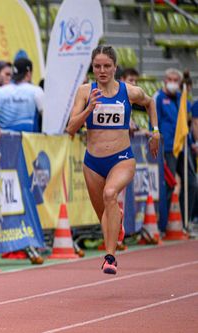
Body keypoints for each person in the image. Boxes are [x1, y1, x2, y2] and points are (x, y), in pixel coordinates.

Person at [66, 45, 159, 275]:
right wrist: (89, 109)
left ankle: (110, 258)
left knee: (110, 194)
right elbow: (70, 128)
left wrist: (155, 131)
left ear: (115, 67)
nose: (102, 70)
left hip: (122, 158)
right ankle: (116, 223)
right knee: (104, 217)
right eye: (97, 66)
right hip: (93, 162)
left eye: (107, 66)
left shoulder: (128, 91)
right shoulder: (85, 92)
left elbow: (150, 102)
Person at [154, 68, 196, 225]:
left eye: (175, 80)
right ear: (165, 80)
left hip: (182, 145)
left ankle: (185, 221)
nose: (172, 83)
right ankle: (164, 224)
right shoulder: (158, 97)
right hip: (167, 147)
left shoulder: (181, 97)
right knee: (169, 185)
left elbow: (188, 120)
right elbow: (154, 120)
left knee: (192, 183)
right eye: (169, 79)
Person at [0, 58, 44, 133]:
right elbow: (47, 117)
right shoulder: (36, 91)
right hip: (27, 142)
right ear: (29, 73)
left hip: (2, 140)